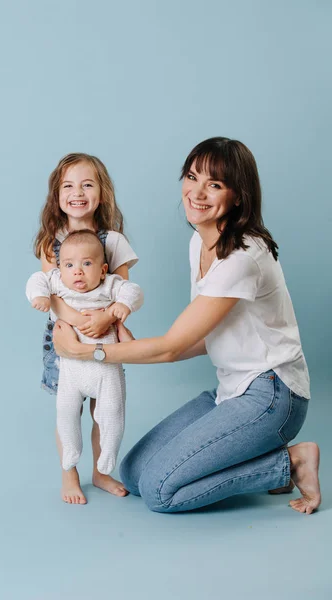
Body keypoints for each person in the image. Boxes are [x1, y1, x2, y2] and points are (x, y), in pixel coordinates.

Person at [52, 137, 321, 515]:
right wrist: (132, 345)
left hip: (273, 395)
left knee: (161, 493)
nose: (196, 192)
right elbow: (200, 338)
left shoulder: (243, 256)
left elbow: (174, 346)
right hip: (231, 388)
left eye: (214, 184)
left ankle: (288, 464)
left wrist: (89, 351)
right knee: (131, 473)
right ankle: (254, 452)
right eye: (192, 177)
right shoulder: (200, 242)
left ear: (239, 195)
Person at [33, 153, 139, 503]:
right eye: (68, 186)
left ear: (102, 193)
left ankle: (101, 471)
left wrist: (107, 319)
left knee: (103, 408)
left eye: (87, 184)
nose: (77, 192)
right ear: (57, 195)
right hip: (65, 334)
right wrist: (80, 321)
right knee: (68, 408)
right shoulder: (52, 241)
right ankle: (69, 474)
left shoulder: (114, 240)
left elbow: (122, 288)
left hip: (103, 335)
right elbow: (50, 292)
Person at [27, 230, 143, 480]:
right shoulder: (58, 281)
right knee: (66, 410)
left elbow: (133, 290)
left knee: (111, 411)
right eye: (69, 265)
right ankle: (70, 451)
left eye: (87, 264)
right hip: (71, 367)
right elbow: (37, 279)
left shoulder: (109, 285)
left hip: (106, 367)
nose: (77, 271)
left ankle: (109, 452)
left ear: (102, 270)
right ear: (60, 268)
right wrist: (39, 296)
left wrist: (122, 306)